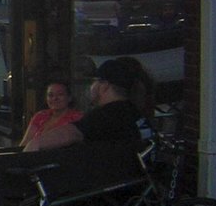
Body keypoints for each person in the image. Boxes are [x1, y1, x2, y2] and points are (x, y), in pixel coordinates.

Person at [24, 59, 152, 152]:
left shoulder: (107, 115)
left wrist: (36, 144)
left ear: (104, 86)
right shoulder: (133, 111)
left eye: (94, 81)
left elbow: (71, 133)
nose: (91, 87)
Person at [19, 80, 84, 147]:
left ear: (69, 98)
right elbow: (25, 142)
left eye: (60, 94)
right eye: (50, 95)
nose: (55, 98)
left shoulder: (77, 118)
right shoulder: (40, 115)